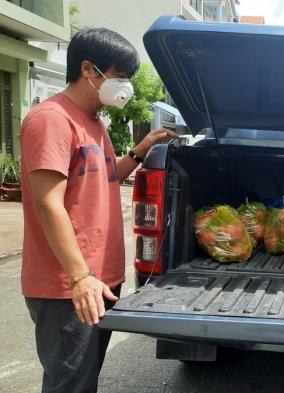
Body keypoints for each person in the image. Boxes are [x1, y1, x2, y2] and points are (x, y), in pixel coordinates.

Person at [20, 28, 176, 393]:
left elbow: (106, 177)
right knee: (70, 385)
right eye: (119, 75)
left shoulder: (94, 122)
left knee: (81, 381)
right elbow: (48, 201)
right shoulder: (52, 119)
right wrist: (79, 276)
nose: (124, 85)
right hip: (67, 287)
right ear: (89, 69)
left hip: (99, 280)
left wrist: (141, 149)